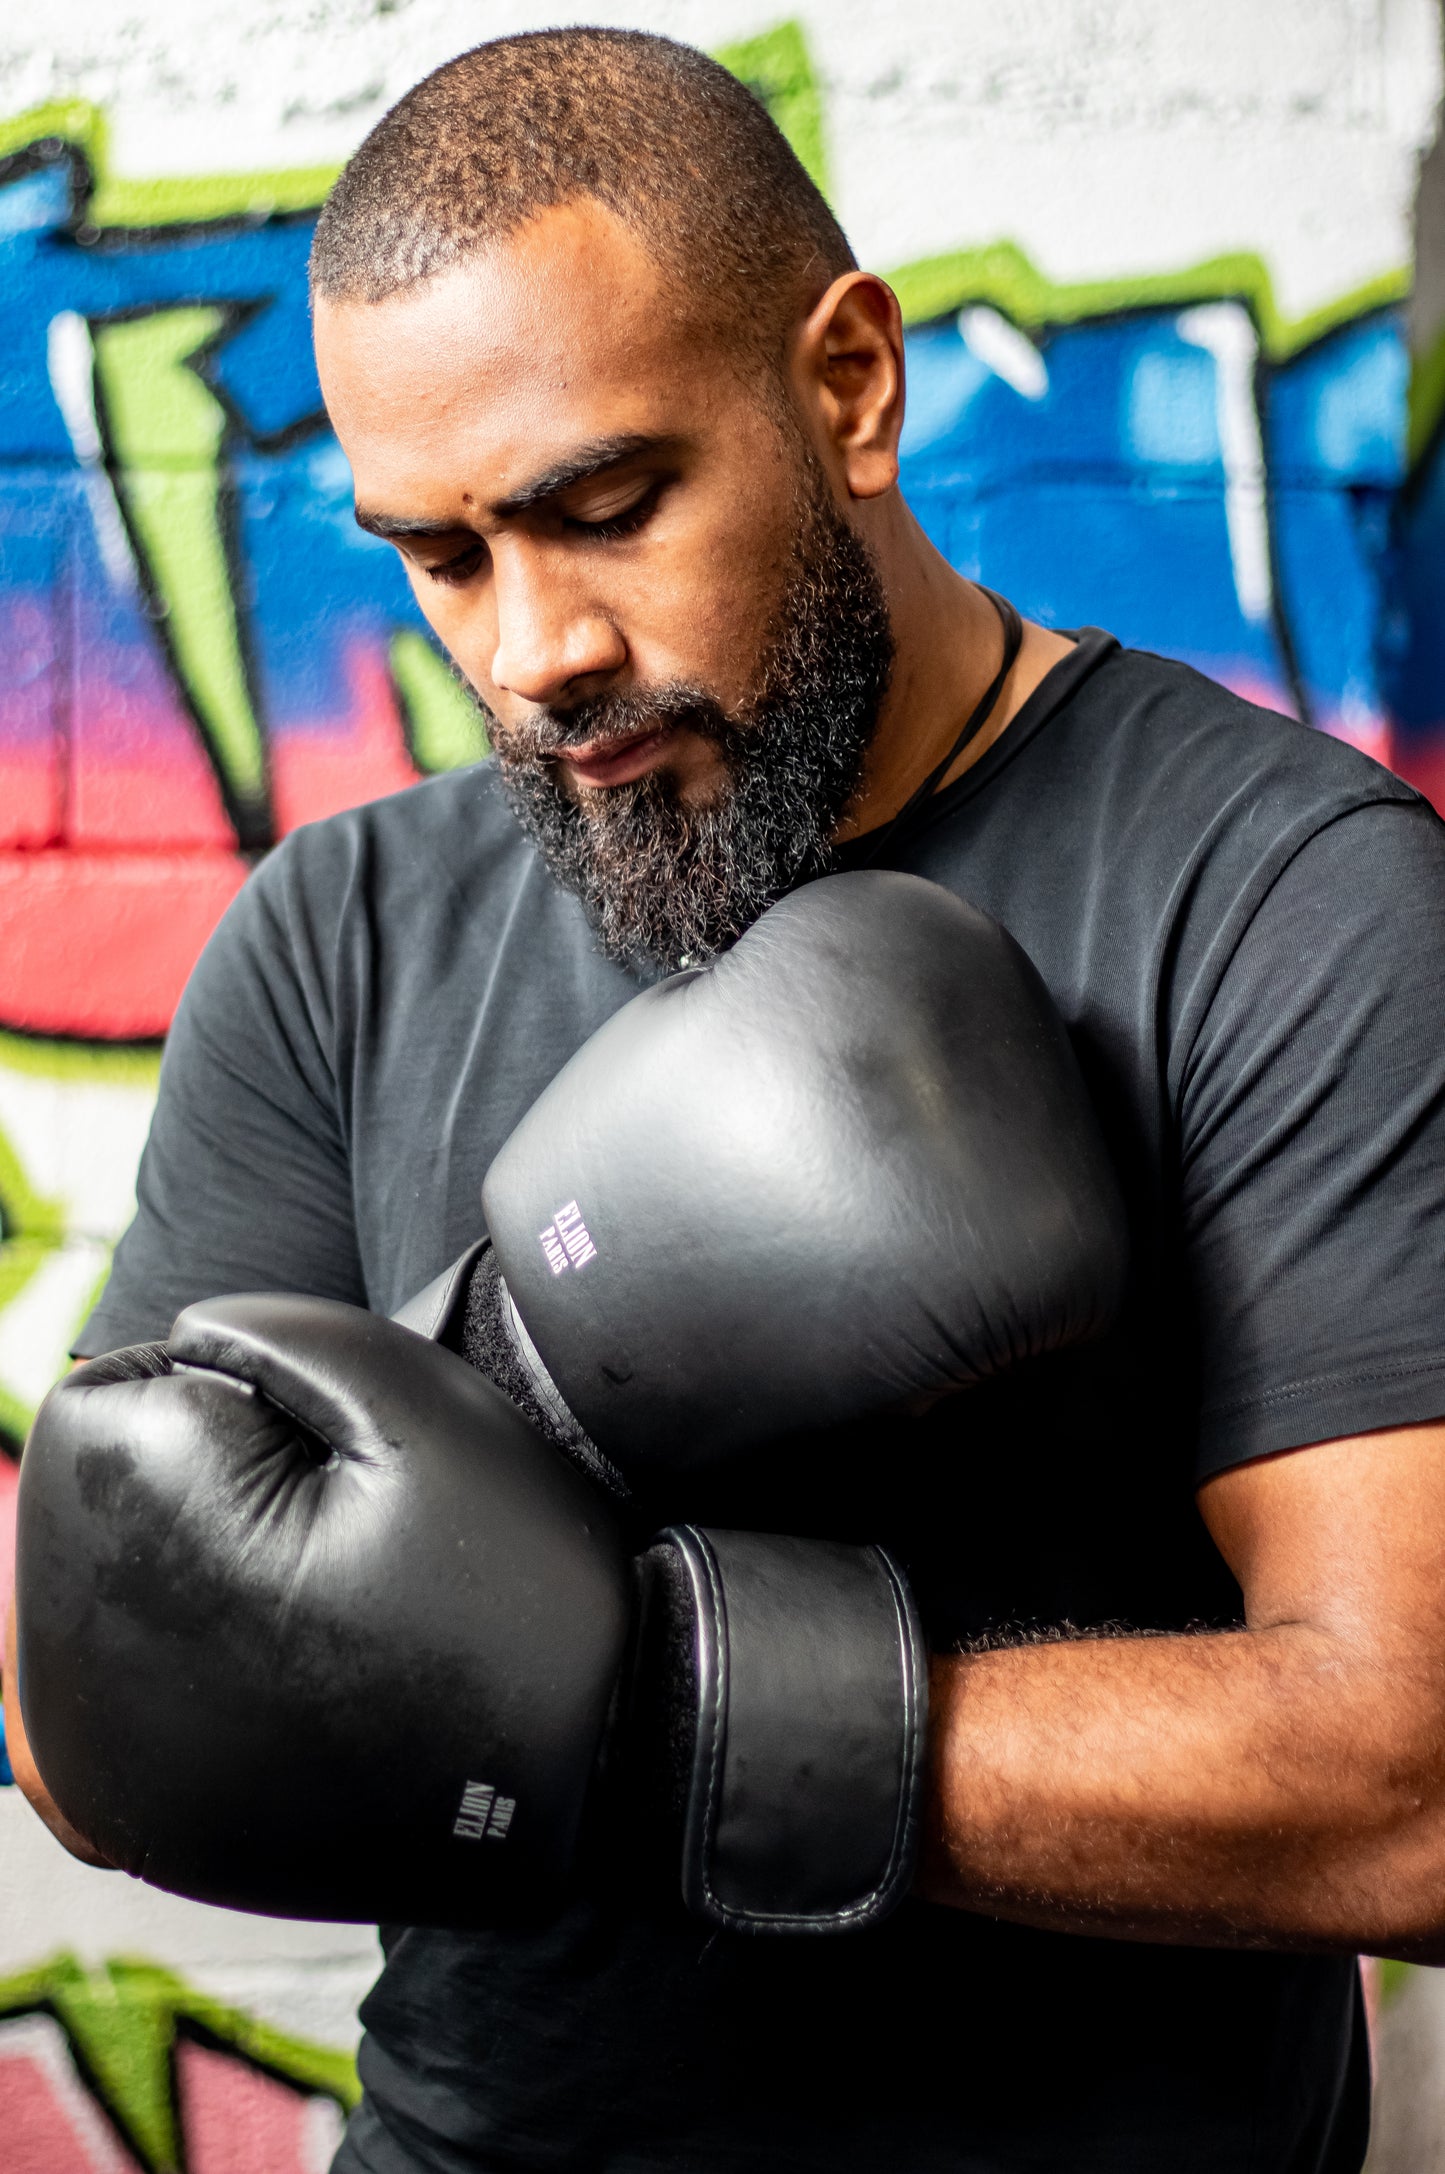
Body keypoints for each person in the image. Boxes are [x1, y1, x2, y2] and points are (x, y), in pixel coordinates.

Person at [8, 26, 1445, 2172]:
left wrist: (655, 1709)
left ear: (851, 384)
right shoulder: (341, 930)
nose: (530, 649)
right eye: (442, 555)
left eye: (604, 510)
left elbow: (1410, 1774)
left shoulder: (1280, 902)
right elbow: (83, 1709)